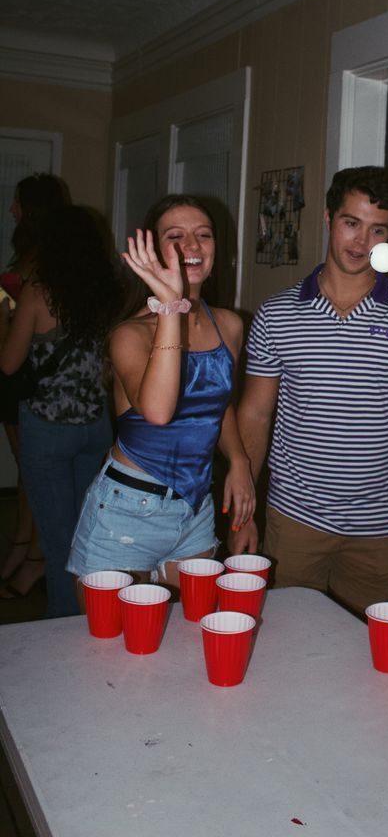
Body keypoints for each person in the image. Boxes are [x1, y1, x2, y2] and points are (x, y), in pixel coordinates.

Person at [235, 166, 388, 615]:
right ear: (328, 218)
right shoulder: (277, 317)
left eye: (378, 230)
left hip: (378, 529)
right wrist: (244, 514)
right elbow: (255, 416)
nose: (361, 242)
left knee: (357, 661)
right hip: (293, 517)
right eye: (351, 223)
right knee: (284, 644)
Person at [67, 194, 255, 597]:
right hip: (126, 510)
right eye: (177, 236)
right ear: (152, 251)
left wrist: (238, 460)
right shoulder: (129, 334)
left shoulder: (230, 325)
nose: (193, 246)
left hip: (195, 509)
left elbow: (218, 404)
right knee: (109, 649)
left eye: (203, 235)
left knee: (191, 640)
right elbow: (157, 411)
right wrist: (171, 308)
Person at [0, 204, 121, 615]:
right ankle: (95, 621)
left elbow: (9, 364)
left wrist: (4, 319)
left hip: (48, 430)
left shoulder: (38, 292)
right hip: (96, 426)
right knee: (86, 537)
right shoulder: (109, 293)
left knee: (57, 544)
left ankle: (64, 631)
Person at [0, 173, 68, 588]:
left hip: (29, 369)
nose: (12, 210)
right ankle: (23, 542)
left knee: (35, 466)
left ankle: (36, 551)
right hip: (14, 365)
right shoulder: (26, 252)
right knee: (26, 465)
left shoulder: (51, 258)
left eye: (17, 202)